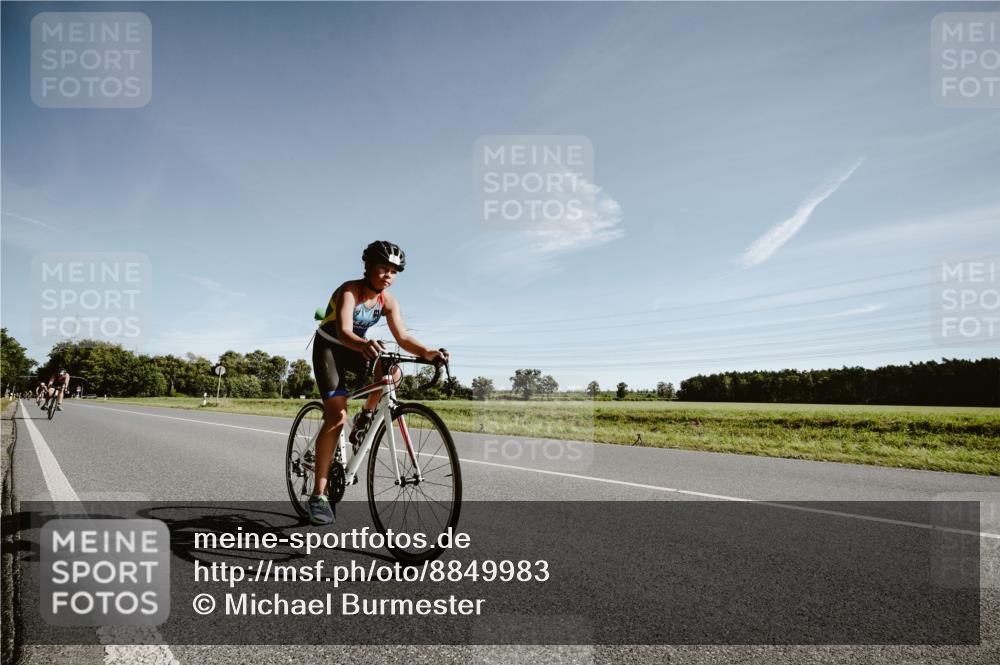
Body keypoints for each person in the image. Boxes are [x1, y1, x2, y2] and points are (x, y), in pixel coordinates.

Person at [309, 241, 448, 525]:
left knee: (392, 371)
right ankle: (318, 495)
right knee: (336, 417)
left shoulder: (388, 301)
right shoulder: (350, 290)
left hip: (357, 348)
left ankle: (366, 416)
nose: (388, 275)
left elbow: (403, 337)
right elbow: (345, 330)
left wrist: (428, 352)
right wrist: (364, 344)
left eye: (394, 271)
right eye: (383, 268)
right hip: (331, 348)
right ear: (369, 267)